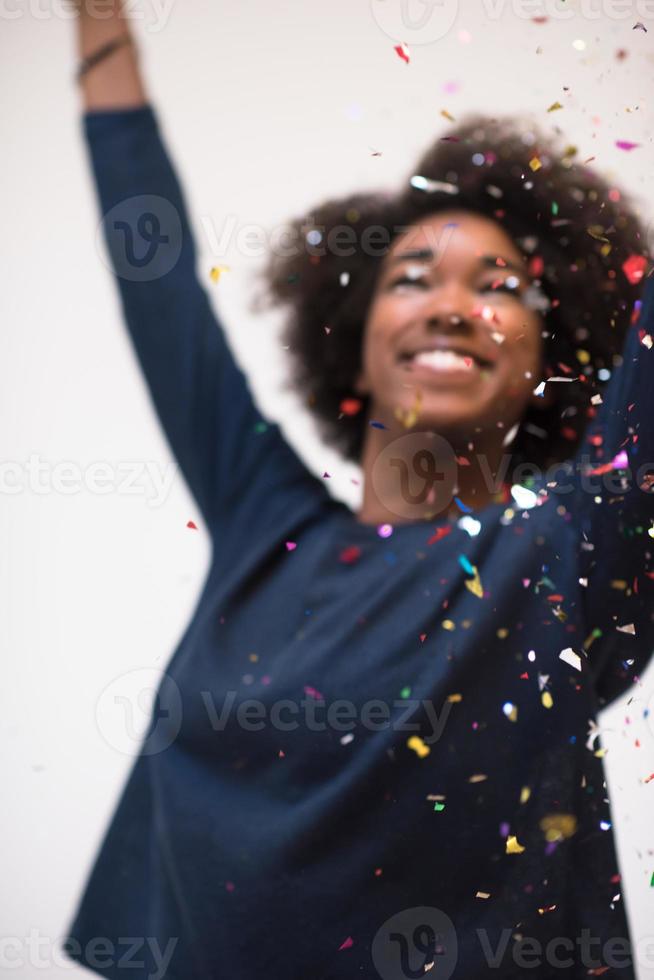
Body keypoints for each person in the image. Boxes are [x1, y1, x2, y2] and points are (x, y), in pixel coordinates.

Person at [63, 3, 654, 978]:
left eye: (501, 287)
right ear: (354, 331)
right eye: (413, 276)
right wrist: (97, 30)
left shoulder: (568, 557)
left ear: (552, 354)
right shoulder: (265, 523)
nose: (455, 305)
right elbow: (155, 276)